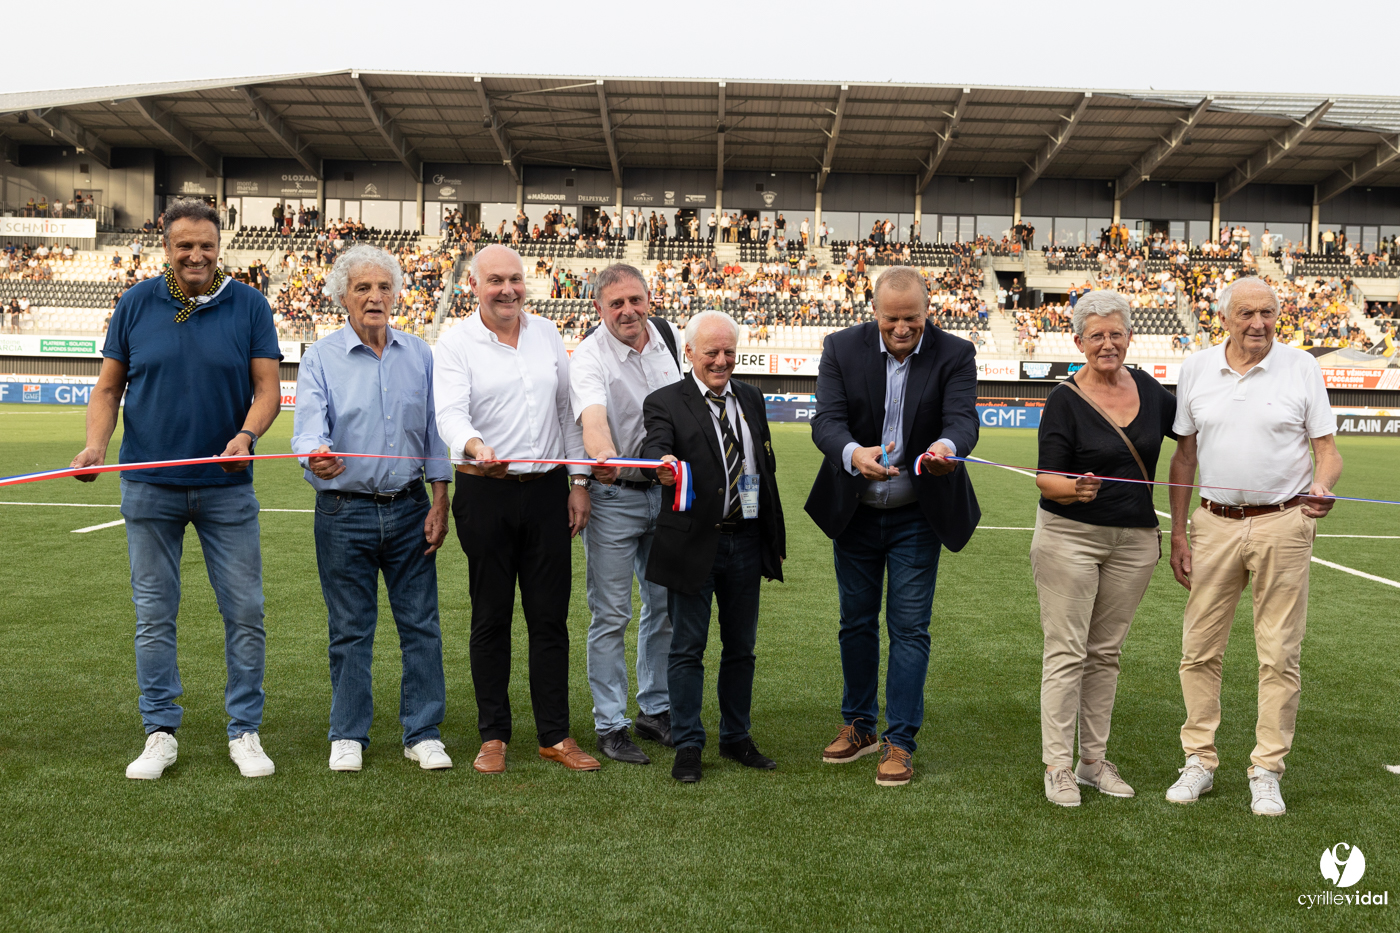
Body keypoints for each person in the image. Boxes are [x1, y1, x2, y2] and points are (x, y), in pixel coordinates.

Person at [68, 198, 282, 780]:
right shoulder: (137, 302)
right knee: (154, 615)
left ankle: (245, 730)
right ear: (166, 247)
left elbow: (268, 390)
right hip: (149, 487)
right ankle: (159, 731)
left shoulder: (250, 305)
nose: (196, 255)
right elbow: (108, 390)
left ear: (220, 246)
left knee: (245, 612)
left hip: (226, 487)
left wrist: (246, 434)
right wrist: (96, 446)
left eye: (206, 245)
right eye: (184, 245)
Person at [1165, 277, 1342, 816]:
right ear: (1224, 318)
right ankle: (1199, 760)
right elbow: (1184, 460)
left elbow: (1327, 452)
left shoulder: (1302, 367)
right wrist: (1178, 532)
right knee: (1199, 649)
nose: (1258, 324)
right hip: (1213, 523)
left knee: (1279, 654)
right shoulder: (1196, 367)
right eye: (1246, 314)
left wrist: (1324, 485)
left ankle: (1266, 770)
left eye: (1267, 312)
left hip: (1283, 525)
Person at [806, 266, 981, 787]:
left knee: (909, 628)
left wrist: (946, 449)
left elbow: (963, 419)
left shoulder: (956, 353)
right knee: (855, 623)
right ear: (874, 311)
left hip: (916, 516)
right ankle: (859, 725)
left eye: (911, 319)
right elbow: (825, 420)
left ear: (928, 312)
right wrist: (852, 452)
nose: (901, 329)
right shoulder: (840, 347)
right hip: (855, 512)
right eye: (890, 320)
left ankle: (900, 740)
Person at [433, 244, 601, 775]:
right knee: (491, 616)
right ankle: (493, 736)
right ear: (474, 286)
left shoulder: (547, 334)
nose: (507, 289)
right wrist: (477, 447)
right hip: (485, 489)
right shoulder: (456, 342)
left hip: (549, 490)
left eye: (515, 279)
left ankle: (555, 735)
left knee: (550, 618)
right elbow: (450, 413)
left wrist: (578, 480)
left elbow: (566, 413)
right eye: (495, 280)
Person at [291, 244, 453, 774]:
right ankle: (348, 734)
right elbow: (308, 431)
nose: (375, 297)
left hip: (410, 510)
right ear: (343, 297)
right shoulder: (319, 357)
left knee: (421, 625)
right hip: (344, 511)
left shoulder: (420, 354)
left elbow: (434, 433)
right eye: (363, 288)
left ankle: (422, 731)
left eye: (384, 287)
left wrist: (439, 501)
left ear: (397, 294)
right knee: (350, 629)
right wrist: (317, 458)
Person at [1029, 291, 1178, 807]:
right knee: (1067, 651)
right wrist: (1075, 488)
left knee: (1105, 654)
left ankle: (1093, 762)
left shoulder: (1154, 393)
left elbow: (1194, 436)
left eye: (1116, 334)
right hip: (1070, 536)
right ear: (1079, 342)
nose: (1108, 344)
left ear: (1130, 337)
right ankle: (1058, 766)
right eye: (1097, 335)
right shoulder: (1063, 399)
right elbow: (1046, 477)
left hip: (1135, 541)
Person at [641, 310, 785, 783]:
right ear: (689, 353)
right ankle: (688, 744)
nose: (722, 361)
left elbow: (763, 464)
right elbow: (655, 447)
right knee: (686, 648)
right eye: (711, 353)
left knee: (741, 648)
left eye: (729, 352)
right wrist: (660, 464)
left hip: (744, 541)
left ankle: (736, 737)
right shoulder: (665, 401)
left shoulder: (751, 397)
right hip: (694, 544)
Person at [570, 264, 684, 764]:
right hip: (615, 497)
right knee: (612, 614)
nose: (628, 311)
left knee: (663, 608)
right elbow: (593, 421)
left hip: (668, 494)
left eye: (635, 300)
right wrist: (602, 461)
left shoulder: (669, 336)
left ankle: (655, 710)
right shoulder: (588, 356)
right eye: (615, 304)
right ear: (599, 309)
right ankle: (610, 724)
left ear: (649, 300)